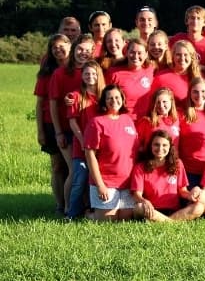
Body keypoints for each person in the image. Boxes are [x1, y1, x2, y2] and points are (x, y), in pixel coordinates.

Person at [84, 84, 138, 221]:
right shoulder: (96, 123)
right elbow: (90, 155)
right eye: (109, 98)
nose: (114, 101)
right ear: (104, 101)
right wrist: (100, 185)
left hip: (127, 183)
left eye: (117, 97)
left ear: (122, 99)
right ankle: (88, 214)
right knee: (108, 221)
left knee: (126, 218)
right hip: (106, 181)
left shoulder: (128, 120)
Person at [131, 131, 205, 222]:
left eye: (164, 145)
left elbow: (182, 191)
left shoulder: (178, 164)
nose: (160, 148)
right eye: (156, 145)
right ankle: (172, 223)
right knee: (139, 208)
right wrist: (144, 201)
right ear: (151, 146)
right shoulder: (140, 167)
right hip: (152, 210)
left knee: (199, 207)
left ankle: (164, 222)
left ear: (170, 147)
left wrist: (191, 195)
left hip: (174, 211)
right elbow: (137, 194)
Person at [35, 34, 71, 215]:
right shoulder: (46, 73)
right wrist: (40, 130)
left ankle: (73, 204)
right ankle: (59, 204)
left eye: (61, 46)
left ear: (70, 46)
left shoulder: (77, 68)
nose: (58, 50)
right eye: (54, 48)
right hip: (51, 124)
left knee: (73, 166)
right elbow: (39, 103)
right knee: (57, 165)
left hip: (73, 123)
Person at [65, 61, 105, 219]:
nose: (90, 77)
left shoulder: (103, 97)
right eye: (87, 74)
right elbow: (72, 121)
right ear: (82, 76)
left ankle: (93, 210)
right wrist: (83, 141)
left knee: (96, 180)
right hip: (80, 147)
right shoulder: (76, 96)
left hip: (100, 147)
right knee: (79, 180)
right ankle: (72, 213)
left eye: (94, 74)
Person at [50, 35, 94, 173]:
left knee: (88, 171)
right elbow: (53, 104)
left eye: (88, 50)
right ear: (73, 50)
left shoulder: (94, 73)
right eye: (80, 49)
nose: (83, 53)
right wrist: (58, 133)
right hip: (67, 130)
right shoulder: (60, 73)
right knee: (75, 171)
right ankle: (69, 196)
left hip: (89, 130)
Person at [179, 77, 205, 187]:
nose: (199, 95)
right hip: (189, 173)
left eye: (203, 91)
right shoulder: (182, 115)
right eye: (195, 92)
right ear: (190, 93)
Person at [107, 38, 154, 119]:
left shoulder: (151, 69)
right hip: (123, 120)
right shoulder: (114, 73)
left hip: (145, 121)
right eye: (132, 52)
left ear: (146, 54)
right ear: (126, 53)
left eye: (140, 53)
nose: (136, 56)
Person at [151, 39, 201, 105]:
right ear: (173, 56)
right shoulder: (161, 77)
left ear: (191, 57)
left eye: (186, 54)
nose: (182, 58)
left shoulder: (199, 77)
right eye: (178, 55)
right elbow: (151, 102)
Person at [170, 5, 205, 70]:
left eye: (198, 18)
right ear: (187, 21)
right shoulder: (177, 39)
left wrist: (196, 67)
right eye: (192, 18)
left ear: (204, 23)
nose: (195, 21)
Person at [136, 87, 181, 152]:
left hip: (171, 160)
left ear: (171, 102)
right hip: (152, 161)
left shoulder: (176, 120)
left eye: (164, 102)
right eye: (158, 102)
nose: (161, 105)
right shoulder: (147, 121)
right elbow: (137, 145)